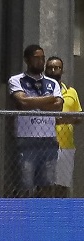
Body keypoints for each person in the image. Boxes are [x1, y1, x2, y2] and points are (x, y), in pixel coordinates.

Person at [8, 44, 63, 198]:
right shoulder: (16, 80)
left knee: (47, 184)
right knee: (26, 184)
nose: (41, 61)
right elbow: (22, 103)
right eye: (36, 58)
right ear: (27, 59)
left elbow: (58, 106)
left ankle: (43, 218)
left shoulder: (52, 83)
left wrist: (33, 101)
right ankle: (26, 218)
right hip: (26, 140)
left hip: (48, 140)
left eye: (43, 58)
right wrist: (48, 99)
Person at [44, 56, 82, 198]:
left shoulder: (71, 92)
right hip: (44, 144)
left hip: (66, 146)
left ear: (62, 70)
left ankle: (61, 217)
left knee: (62, 186)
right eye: (50, 68)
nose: (54, 70)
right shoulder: (41, 91)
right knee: (45, 185)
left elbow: (79, 116)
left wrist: (62, 120)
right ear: (45, 69)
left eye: (57, 67)